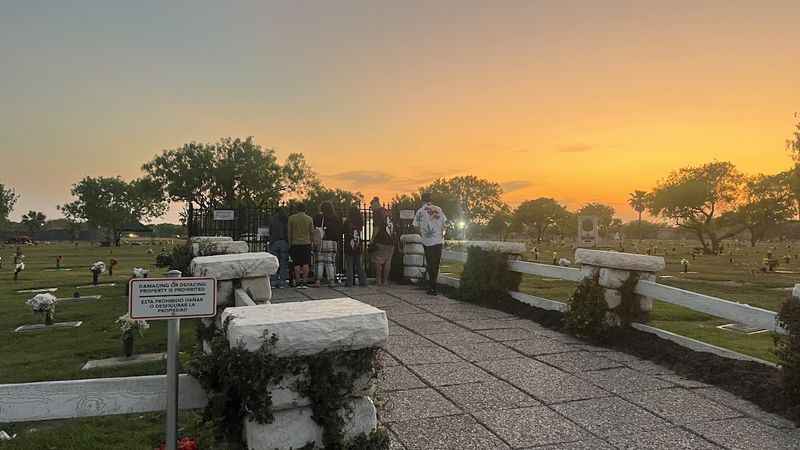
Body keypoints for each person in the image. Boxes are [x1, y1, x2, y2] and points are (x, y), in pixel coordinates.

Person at [413, 192, 447, 295]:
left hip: (427, 242)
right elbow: (445, 224)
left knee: (430, 263)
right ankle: (434, 286)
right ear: (430, 199)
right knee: (436, 264)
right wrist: (442, 234)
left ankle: (431, 286)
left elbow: (415, 225)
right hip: (438, 241)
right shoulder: (438, 209)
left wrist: (422, 234)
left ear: (422, 200)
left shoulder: (420, 211)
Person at [313, 202, 342, 287]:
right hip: (332, 242)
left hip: (321, 241)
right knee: (330, 262)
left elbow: (314, 228)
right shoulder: (336, 218)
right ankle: (332, 281)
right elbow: (339, 230)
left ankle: (318, 281)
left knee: (319, 262)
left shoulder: (319, 217)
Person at [288, 203, 314, 288]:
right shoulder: (309, 219)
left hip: (295, 243)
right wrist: (312, 242)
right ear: (305, 209)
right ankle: (305, 281)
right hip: (306, 243)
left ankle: (298, 281)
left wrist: (290, 243)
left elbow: (289, 232)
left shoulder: (291, 218)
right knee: (306, 263)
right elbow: (311, 232)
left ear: (296, 209)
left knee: (296, 263)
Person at [370, 197, 394, 286]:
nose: (371, 208)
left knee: (378, 261)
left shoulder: (377, 213)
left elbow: (376, 227)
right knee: (388, 261)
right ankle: (386, 281)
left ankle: (379, 281)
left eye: (371, 206)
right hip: (391, 241)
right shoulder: (388, 212)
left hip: (381, 240)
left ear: (375, 204)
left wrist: (372, 239)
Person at [343, 206, 368, 287]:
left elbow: (343, 231)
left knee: (349, 265)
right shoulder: (360, 222)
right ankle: (363, 281)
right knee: (359, 265)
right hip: (358, 244)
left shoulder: (347, 222)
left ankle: (349, 282)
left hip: (348, 245)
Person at [268, 207, 289, 288]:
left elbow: (270, 231)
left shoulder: (272, 219)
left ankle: (273, 281)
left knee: (274, 263)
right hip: (284, 242)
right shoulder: (285, 219)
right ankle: (282, 282)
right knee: (283, 263)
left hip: (274, 242)